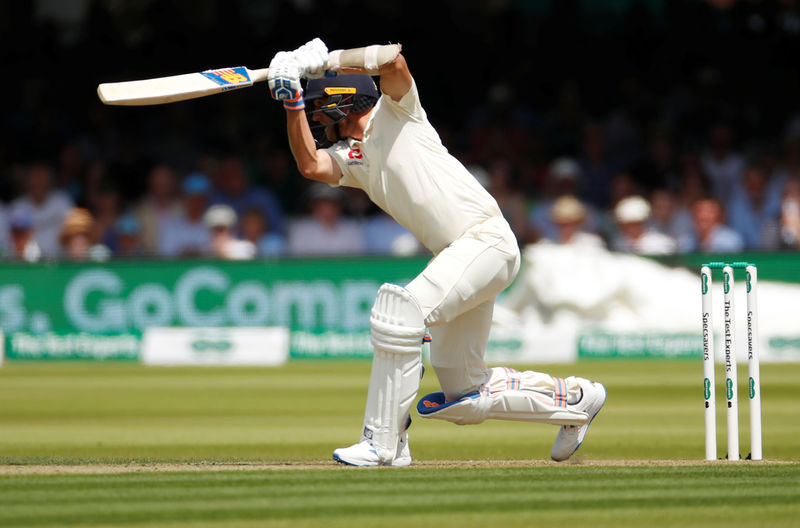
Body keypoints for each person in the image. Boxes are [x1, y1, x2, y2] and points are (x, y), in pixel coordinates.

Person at [267, 38, 606, 466]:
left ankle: (384, 442)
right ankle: (576, 399)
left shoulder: (399, 113)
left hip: (484, 240)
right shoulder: (352, 157)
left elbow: (393, 59)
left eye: (318, 109)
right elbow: (311, 165)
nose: (316, 119)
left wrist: (327, 60)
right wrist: (293, 104)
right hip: (460, 254)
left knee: (400, 311)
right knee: (464, 397)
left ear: (344, 101)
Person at [611, 195, 677, 255]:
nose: (632, 227)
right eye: (627, 224)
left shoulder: (661, 243)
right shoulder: (618, 243)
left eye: (637, 223)